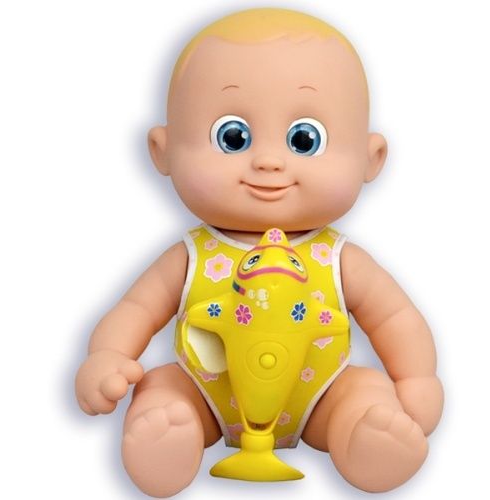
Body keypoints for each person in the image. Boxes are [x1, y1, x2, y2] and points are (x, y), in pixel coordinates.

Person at [75, 8, 444, 497]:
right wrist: (107, 356)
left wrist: (416, 379)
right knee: (161, 390)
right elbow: (137, 309)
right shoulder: (192, 255)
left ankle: (364, 440)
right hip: (206, 390)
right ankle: (169, 441)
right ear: (163, 150)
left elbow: (394, 317)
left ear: (369, 158)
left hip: (320, 393)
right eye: (234, 138)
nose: (268, 161)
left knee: (364, 392)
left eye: (303, 140)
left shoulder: (338, 258)